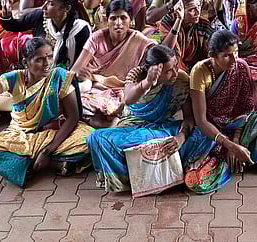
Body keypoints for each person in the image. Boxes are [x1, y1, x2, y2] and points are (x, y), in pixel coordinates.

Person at [0, 37, 94, 187]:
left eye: (49, 57)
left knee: (89, 136)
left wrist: (47, 150)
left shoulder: (59, 77)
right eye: (39, 59)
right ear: (26, 63)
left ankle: (29, 161)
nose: (47, 64)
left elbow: (73, 118)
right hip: (19, 136)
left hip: (48, 135)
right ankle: (51, 163)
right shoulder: (14, 78)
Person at [185, 30, 257, 194]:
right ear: (212, 55)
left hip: (240, 127)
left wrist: (237, 141)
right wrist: (230, 145)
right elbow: (201, 121)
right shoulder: (199, 72)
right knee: (195, 182)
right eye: (227, 55)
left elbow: (248, 109)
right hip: (213, 131)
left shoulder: (240, 66)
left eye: (236, 53)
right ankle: (231, 157)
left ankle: (241, 154)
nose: (233, 60)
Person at [86, 44, 201, 193]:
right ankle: (136, 177)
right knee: (95, 138)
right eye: (168, 71)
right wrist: (148, 82)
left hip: (161, 130)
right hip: (132, 129)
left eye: (175, 67)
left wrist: (181, 137)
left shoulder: (180, 80)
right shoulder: (136, 76)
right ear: (151, 71)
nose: (174, 73)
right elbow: (128, 99)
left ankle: (147, 170)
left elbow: (189, 117)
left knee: (201, 135)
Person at [72, 0, 155, 128]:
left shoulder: (138, 40)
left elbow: (160, 53)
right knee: (76, 103)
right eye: (113, 18)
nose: (118, 23)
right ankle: (101, 121)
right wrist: (81, 75)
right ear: (107, 20)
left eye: (123, 18)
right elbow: (76, 69)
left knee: (127, 108)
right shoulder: (97, 37)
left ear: (131, 20)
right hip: (94, 87)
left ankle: (102, 121)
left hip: (123, 90)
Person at [0, 0, 91, 69]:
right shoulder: (40, 16)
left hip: (70, 77)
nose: (43, 7)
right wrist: (6, 12)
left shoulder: (80, 29)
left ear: (66, 8)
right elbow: (13, 26)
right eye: (45, 1)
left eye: (51, 3)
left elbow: (82, 63)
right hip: (38, 73)